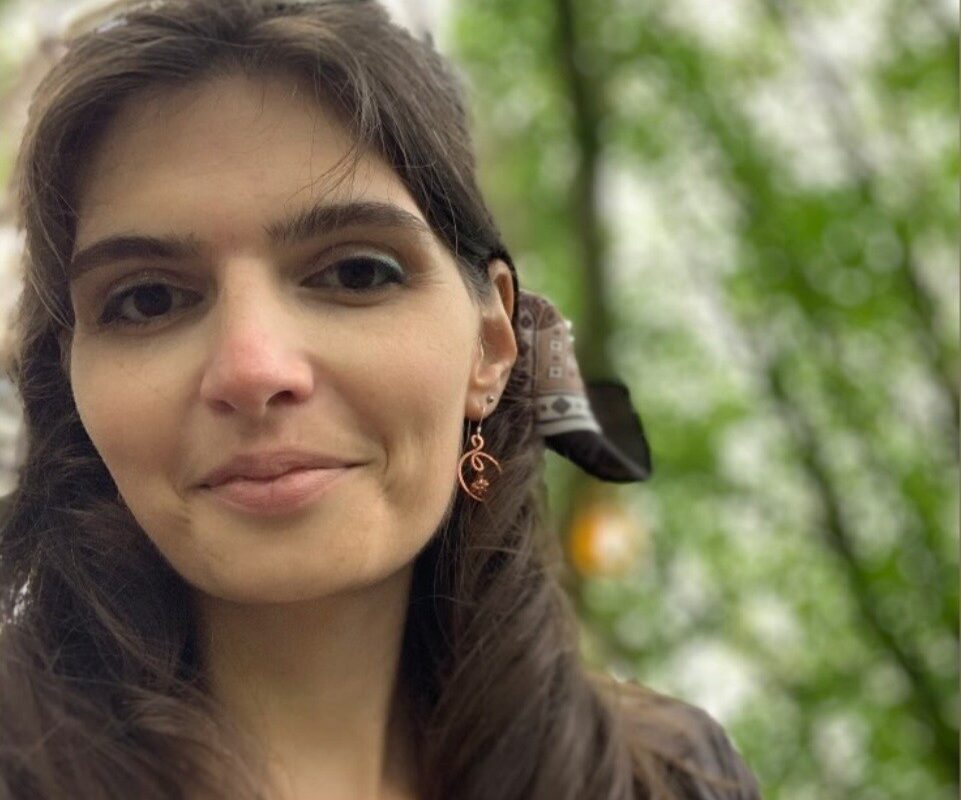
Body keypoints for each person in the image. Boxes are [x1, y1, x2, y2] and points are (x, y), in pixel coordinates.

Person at [0, 1, 762, 798]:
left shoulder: (668, 778)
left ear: (491, 342)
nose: (253, 370)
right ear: (72, 380)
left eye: (356, 272)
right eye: (148, 300)